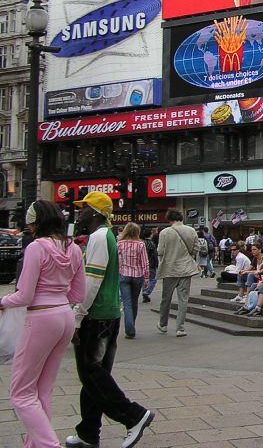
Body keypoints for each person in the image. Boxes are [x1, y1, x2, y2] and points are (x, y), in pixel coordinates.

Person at [67, 191, 154, 448]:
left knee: (91, 373)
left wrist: (77, 317)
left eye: (84, 209)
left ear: (95, 212)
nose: (80, 213)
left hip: (97, 315)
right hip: (109, 313)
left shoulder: (97, 237)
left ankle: (133, 415)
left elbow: (92, 282)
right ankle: (88, 432)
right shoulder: (106, 235)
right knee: (95, 375)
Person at [0, 200, 85, 448]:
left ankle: (49, 445)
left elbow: (23, 295)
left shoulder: (37, 247)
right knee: (42, 389)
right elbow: (77, 295)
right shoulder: (74, 249)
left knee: (21, 392)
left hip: (40, 317)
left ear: (36, 223)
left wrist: (2, 301)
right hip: (64, 317)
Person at [156, 210, 199, 337]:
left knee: (166, 299)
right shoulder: (191, 231)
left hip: (170, 269)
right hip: (186, 268)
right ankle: (180, 328)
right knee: (183, 300)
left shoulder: (165, 232)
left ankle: (163, 324)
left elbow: (160, 251)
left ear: (169, 219)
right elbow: (196, 248)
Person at [116, 223, 148, 339]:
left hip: (124, 274)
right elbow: (145, 262)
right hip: (137, 275)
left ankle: (129, 329)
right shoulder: (140, 244)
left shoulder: (119, 244)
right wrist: (146, 278)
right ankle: (131, 325)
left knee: (127, 303)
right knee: (134, 302)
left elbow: (117, 260)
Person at [141, 228, 158, 303]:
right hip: (151, 264)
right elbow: (154, 255)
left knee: (145, 280)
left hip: (142, 264)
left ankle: (145, 294)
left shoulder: (142, 243)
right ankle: (147, 292)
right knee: (153, 279)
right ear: (150, 234)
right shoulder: (151, 244)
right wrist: (156, 263)